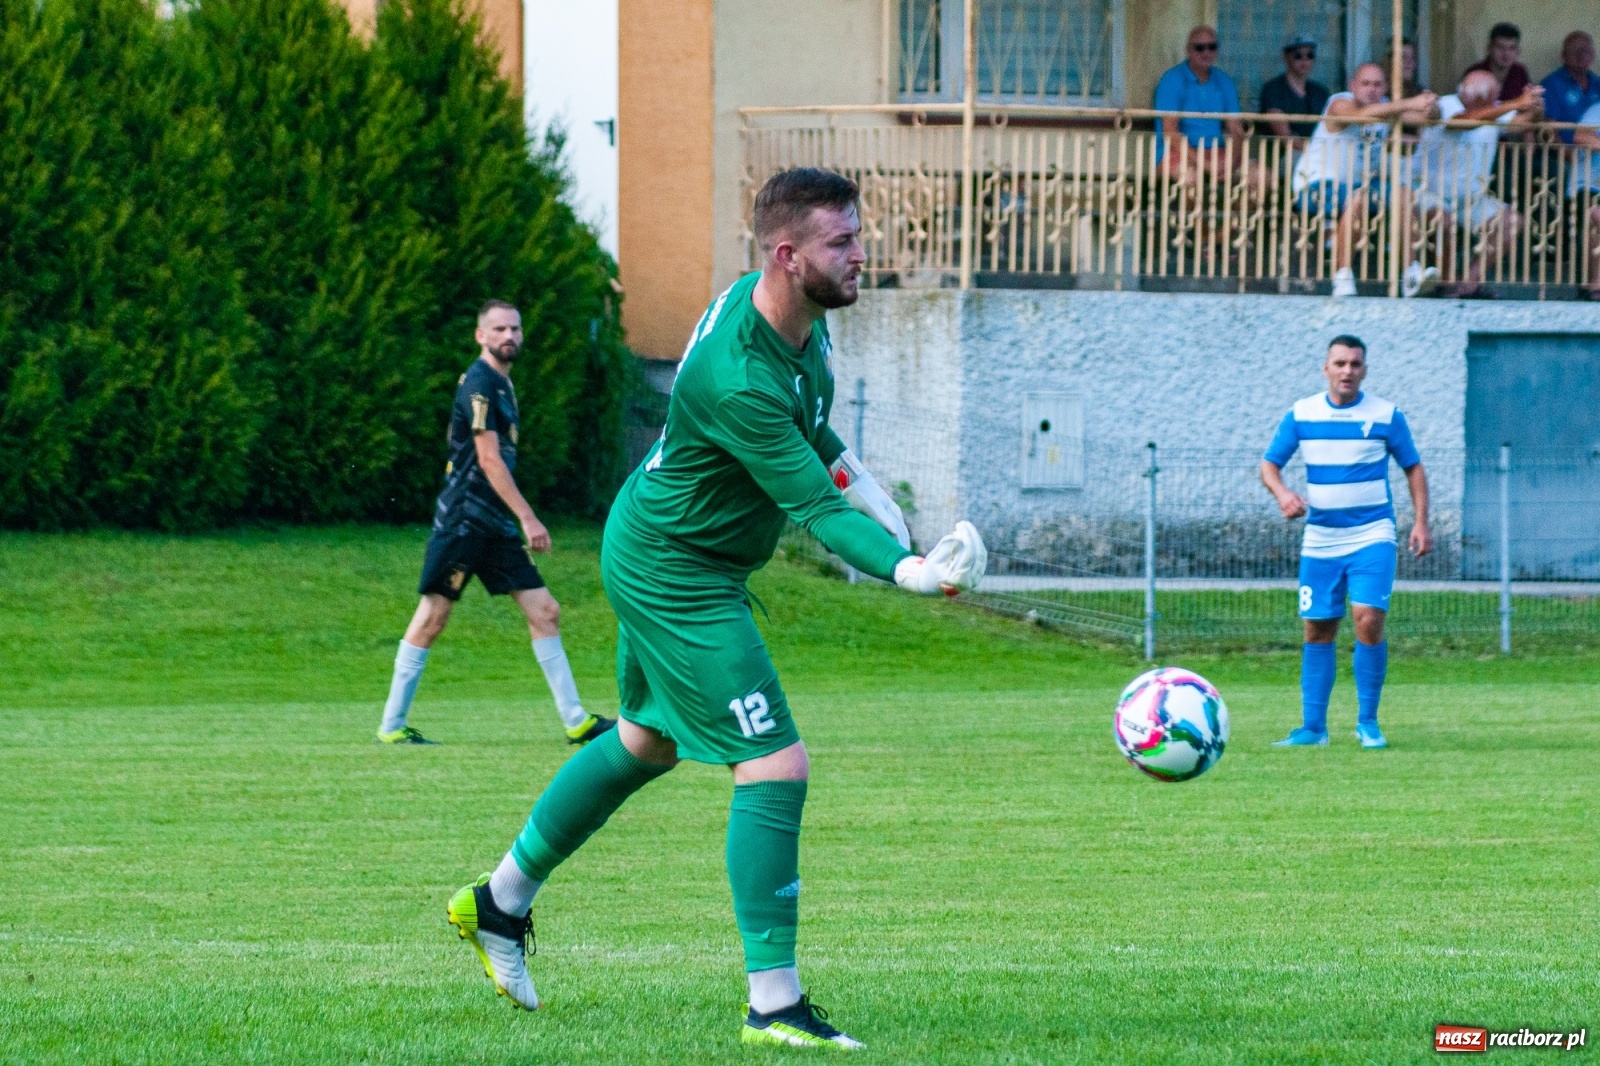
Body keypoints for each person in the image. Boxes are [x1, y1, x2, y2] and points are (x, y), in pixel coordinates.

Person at [442, 168, 987, 1046]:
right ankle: (773, 1005)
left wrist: (875, 495)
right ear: (786, 255)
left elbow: (813, 436)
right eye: (841, 243)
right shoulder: (737, 374)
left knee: (645, 742)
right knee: (776, 765)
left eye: (857, 236)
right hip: (675, 568)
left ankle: (498, 903)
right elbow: (811, 511)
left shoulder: (792, 321)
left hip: (678, 550)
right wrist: (910, 571)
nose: (860, 256)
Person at [375, 301, 614, 747]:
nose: (510, 335)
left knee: (545, 611)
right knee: (433, 617)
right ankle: (392, 726)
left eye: (516, 328)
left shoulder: (503, 384)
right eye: (499, 328)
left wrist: (512, 518)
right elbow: (487, 459)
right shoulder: (481, 384)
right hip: (464, 521)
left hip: (494, 525)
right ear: (480, 336)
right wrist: (528, 517)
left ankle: (577, 721)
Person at [1260, 336, 1431, 750]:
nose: (1347, 371)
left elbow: (1413, 468)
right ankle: (1313, 729)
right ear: (1326, 368)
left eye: (1355, 364)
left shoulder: (1386, 415)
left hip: (1373, 534)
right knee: (1317, 627)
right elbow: (1269, 464)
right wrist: (1283, 494)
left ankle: (1368, 723)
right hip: (1320, 538)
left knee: (1368, 619)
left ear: (1365, 369)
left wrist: (1421, 522)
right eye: (1339, 363)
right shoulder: (1302, 414)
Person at [1291, 63, 1438, 296]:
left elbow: (1427, 118)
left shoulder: (1385, 109)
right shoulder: (1339, 102)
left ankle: (1411, 273)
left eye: (1378, 84)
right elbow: (1359, 116)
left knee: (1403, 192)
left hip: (1359, 186)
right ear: (1353, 85)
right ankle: (1342, 277)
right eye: (1365, 84)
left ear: (1386, 87)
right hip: (1316, 185)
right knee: (1358, 198)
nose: (1371, 90)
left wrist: (1430, 103)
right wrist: (1410, 102)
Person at [1411, 71, 1542, 297]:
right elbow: (1463, 122)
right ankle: (1446, 284)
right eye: (1489, 97)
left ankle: (1469, 283)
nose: (1495, 100)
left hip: (1471, 199)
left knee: (1511, 222)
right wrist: (1516, 103)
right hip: (1429, 193)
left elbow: (1520, 125)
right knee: (1444, 221)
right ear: (1471, 95)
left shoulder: (1492, 108)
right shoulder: (1446, 105)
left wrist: (1535, 106)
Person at [1260, 34, 1331, 141]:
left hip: (1318, 152)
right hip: (1283, 154)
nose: (1304, 60)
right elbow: (1285, 136)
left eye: (1310, 55)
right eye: (1298, 55)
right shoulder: (1273, 89)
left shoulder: (1320, 92)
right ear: (1286, 56)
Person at [1540, 32, 1600, 145]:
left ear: (1592, 55)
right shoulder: (1551, 84)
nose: (1581, 55)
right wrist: (1567, 155)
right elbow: (1548, 127)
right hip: (1562, 157)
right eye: (1575, 50)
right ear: (1564, 55)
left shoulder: (1598, 84)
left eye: (1585, 50)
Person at [1570, 100, 1600, 300]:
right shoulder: (1597, 109)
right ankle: (1595, 286)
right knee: (1598, 215)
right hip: (1589, 186)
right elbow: (1580, 136)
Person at [1465, 22, 1533, 103]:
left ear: (1518, 51)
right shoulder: (1474, 74)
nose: (1506, 53)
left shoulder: (1520, 72)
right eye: (1500, 47)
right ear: (1489, 48)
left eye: (1512, 48)